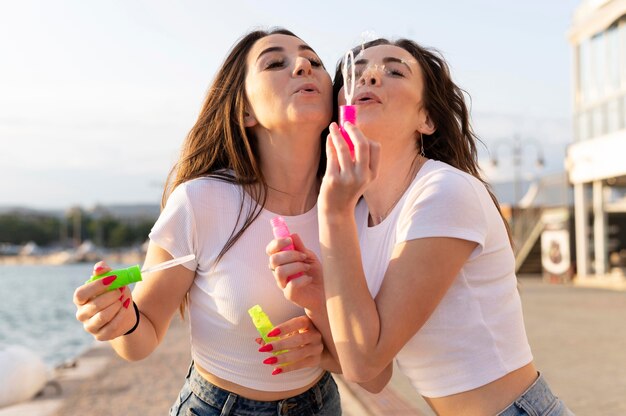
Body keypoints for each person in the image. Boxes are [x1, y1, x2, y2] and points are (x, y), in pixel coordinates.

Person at [268, 38, 573, 415]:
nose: (370, 79)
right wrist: (317, 300)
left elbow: (365, 363)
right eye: (357, 73)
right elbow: (374, 375)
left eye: (394, 71)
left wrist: (333, 214)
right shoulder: (360, 220)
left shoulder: (444, 191)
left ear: (426, 119)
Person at [73, 28, 344, 416]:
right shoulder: (201, 201)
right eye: (275, 63)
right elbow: (142, 336)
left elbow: (368, 363)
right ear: (245, 111)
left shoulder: (352, 204)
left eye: (314, 62)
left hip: (322, 404)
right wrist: (119, 320)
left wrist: (325, 345)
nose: (303, 65)